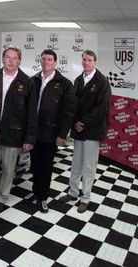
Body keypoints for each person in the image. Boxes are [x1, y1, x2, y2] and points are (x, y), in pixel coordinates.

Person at [0, 46, 38, 213]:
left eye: (14, 58)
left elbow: (32, 113)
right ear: (3, 59)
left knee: (9, 169)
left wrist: (29, 139)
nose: (10, 60)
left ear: (19, 60)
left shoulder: (27, 82)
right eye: (7, 57)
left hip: (14, 134)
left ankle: (2, 197)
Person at [59, 50, 111, 213]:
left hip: (93, 131)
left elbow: (101, 108)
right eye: (84, 60)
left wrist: (84, 122)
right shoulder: (78, 80)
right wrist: (75, 122)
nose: (86, 62)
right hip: (78, 129)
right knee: (76, 163)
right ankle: (73, 192)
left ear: (95, 62)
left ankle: (85, 198)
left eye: (89, 60)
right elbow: (72, 104)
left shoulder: (102, 81)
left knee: (89, 166)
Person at [30, 49, 76, 213]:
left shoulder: (64, 83)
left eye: (49, 59)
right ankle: (36, 192)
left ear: (55, 62)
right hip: (33, 132)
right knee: (34, 164)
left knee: (46, 166)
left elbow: (68, 112)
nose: (46, 62)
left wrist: (62, 135)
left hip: (51, 134)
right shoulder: (33, 80)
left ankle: (43, 197)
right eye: (43, 59)